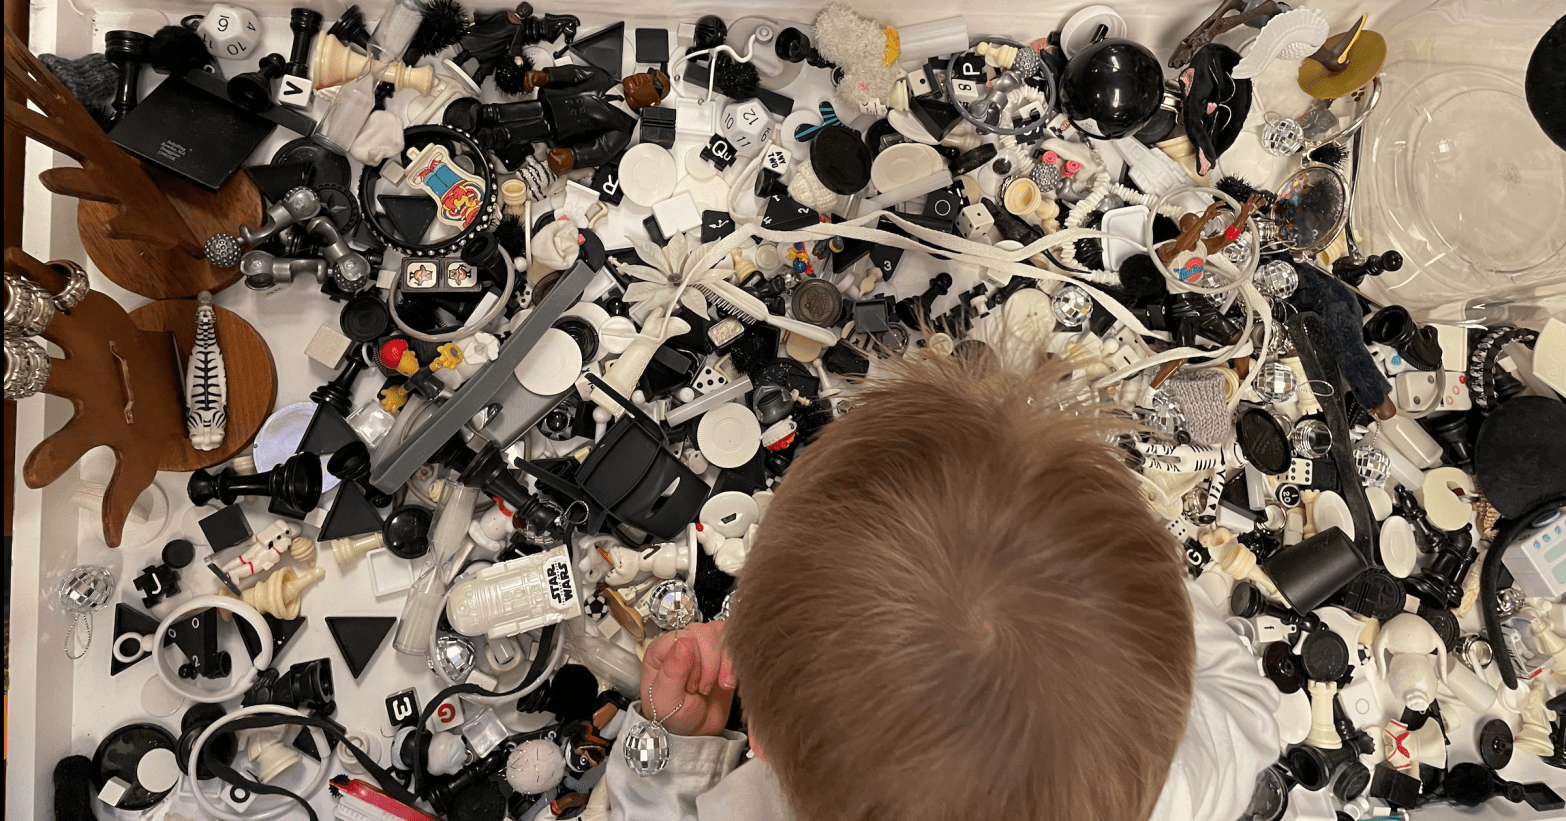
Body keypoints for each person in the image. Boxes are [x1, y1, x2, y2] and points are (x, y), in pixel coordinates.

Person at [602, 350, 1280, 821]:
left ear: (764, 745)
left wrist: (667, 754)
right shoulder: (1192, 781)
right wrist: (1127, 585)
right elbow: (1247, 703)